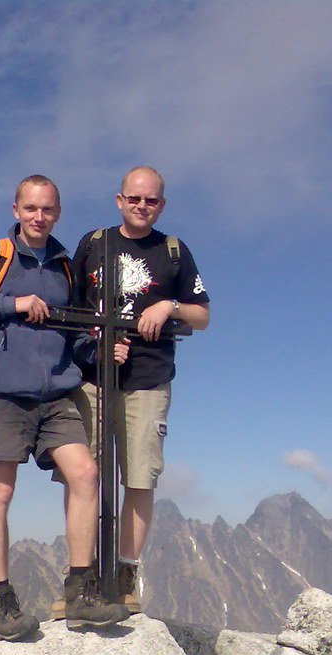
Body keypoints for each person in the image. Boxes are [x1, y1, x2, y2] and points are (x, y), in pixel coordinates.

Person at [0, 175, 129, 641]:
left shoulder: (64, 265)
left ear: (57, 212)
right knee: (0, 491)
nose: (39, 217)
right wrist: (11, 303)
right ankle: (2, 601)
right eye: (30, 209)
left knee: (84, 474)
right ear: (16, 209)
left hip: (57, 392)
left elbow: (71, 334)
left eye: (47, 210)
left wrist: (99, 352)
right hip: (5, 393)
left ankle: (80, 590)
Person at [59, 166, 210, 615]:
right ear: (119, 199)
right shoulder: (93, 244)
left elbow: (201, 316)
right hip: (91, 378)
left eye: (152, 200)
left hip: (148, 378)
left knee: (140, 476)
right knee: (83, 476)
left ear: (161, 204)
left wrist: (169, 305)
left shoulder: (174, 251)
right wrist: (95, 345)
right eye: (134, 198)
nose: (142, 206)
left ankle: (125, 576)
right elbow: (71, 308)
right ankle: (80, 580)